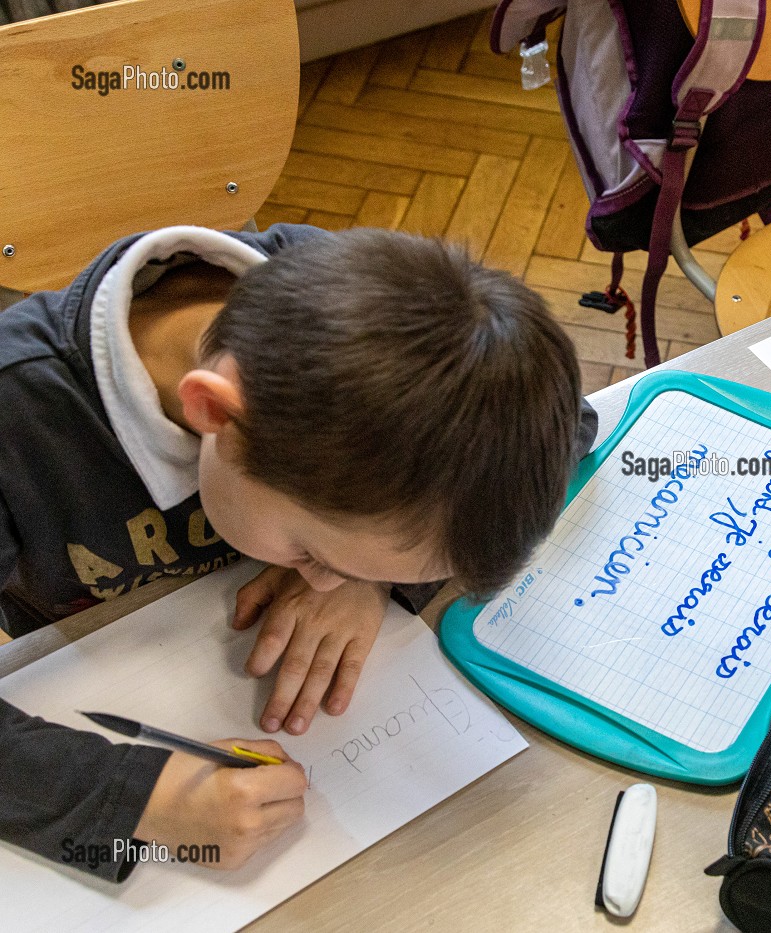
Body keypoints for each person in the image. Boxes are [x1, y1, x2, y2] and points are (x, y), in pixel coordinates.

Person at [0, 224, 597, 878]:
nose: (320, 582)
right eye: (314, 554)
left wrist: (371, 583)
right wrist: (141, 797)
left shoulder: (388, 314)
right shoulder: (17, 415)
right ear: (215, 413)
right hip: (78, 663)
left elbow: (573, 428)